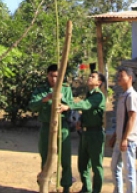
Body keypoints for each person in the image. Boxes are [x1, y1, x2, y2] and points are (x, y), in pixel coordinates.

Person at [29, 64, 74, 193]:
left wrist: (64, 103)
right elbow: (32, 106)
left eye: (57, 76)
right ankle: (44, 185)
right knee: (45, 157)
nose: (54, 79)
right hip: (46, 127)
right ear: (47, 75)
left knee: (65, 158)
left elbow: (71, 105)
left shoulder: (66, 89)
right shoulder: (41, 90)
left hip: (62, 127)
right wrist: (45, 99)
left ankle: (66, 186)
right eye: (51, 76)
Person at [69, 71, 107, 193]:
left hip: (95, 134)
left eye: (93, 77)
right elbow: (86, 111)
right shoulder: (89, 94)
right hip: (85, 133)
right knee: (83, 164)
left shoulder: (98, 96)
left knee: (96, 165)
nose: (89, 78)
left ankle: (96, 190)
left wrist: (69, 106)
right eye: (90, 76)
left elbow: (85, 105)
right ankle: (87, 189)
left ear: (99, 82)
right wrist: (80, 120)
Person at [109, 67, 137, 193]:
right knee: (114, 167)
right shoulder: (123, 96)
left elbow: (132, 118)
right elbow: (122, 119)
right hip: (120, 139)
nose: (119, 78)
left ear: (130, 78)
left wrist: (125, 138)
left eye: (122, 76)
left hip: (128, 140)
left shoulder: (132, 96)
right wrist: (115, 136)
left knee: (129, 170)